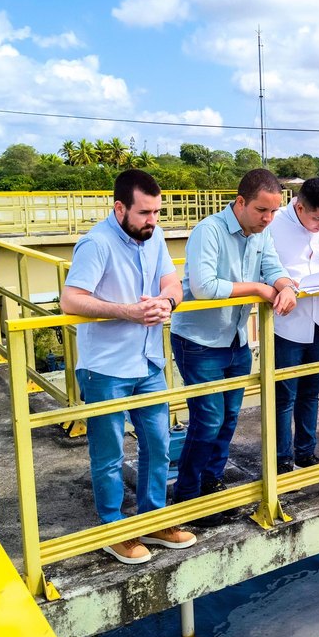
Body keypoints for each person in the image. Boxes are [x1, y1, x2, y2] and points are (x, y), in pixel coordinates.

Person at [60, 169, 196, 565]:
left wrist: (166, 303)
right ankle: (114, 528)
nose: (152, 220)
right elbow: (71, 300)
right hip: (106, 368)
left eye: (157, 212)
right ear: (119, 208)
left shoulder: (152, 238)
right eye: (144, 213)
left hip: (149, 361)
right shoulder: (96, 244)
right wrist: (127, 312)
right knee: (109, 453)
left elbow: (173, 283)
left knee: (157, 444)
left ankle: (154, 518)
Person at [171, 168, 297, 525]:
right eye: (262, 211)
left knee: (227, 418)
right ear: (240, 202)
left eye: (273, 212)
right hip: (199, 341)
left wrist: (286, 286)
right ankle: (188, 496)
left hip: (236, 339)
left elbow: (273, 267)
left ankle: (212, 482)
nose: (268, 219)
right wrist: (258, 289)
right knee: (207, 419)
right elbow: (205, 286)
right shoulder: (207, 231)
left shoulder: (260, 233)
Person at [268, 178, 319, 473]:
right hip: (285, 325)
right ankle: (282, 458)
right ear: (299, 207)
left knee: (312, 391)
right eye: (317, 219)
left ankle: (306, 451)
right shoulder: (273, 226)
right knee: (284, 394)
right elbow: (265, 271)